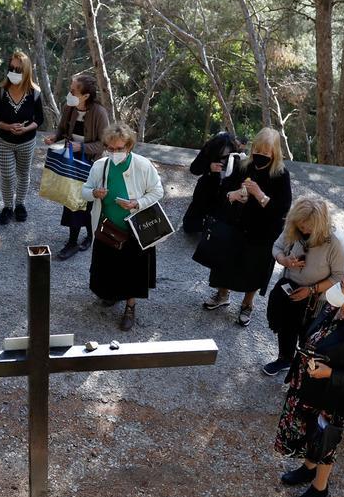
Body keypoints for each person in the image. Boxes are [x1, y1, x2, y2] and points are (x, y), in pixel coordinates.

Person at [274, 265, 344, 497]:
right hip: (308, 385)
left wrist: (331, 372)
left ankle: (319, 488)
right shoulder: (333, 308)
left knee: (325, 441)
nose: (336, 287)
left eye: (342, 285)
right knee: (308, 433)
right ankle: (308, 468)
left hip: (330, 397)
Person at [199, 127, 293, 327]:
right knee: (225, 263)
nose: (260, 155)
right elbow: (224, 189)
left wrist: (261, 196)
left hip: (263, 232)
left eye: (266, 152)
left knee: (255, 269)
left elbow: (283, 210)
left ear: (274, 153)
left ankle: (247, 304)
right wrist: (232, 194)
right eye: (257, 150)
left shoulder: (281, 175)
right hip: (236, 225)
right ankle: (222, 295)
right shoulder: (244, 166)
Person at [80, 123, 164, 331]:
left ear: (129, 146)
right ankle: (113, 294)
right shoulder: (100, 166)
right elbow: (85, 190)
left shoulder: (143, 165)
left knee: (133, 270)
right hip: (107, 226)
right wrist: (94, 193)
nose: (115, 152)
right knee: (108, 265)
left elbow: (157, 191)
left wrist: (137, 203)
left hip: (135, 228)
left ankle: (130, 306)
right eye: (111, 148)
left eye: (119, 148)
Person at [264, 197, 344, 376]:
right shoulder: (293, 227)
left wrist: (311, 290)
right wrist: (284, 260)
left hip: (317, 298)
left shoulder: (335, 242)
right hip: (290, 287)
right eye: (300, 226)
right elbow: (277, 246)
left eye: (308, 228)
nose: (303, 231)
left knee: (309, 336)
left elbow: (340, 276)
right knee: (286, 326)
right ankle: (285, 359)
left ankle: (302, 370)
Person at [44, 74, 110, 260]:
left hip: (90, 163)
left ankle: (75, 242)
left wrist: (82, 147)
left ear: (85, 95)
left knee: (80, 201)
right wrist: (54, 138)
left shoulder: (99, 113)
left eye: (73, 91)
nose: (70, 93)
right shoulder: (70, 107)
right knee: (75, 200)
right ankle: (87, 236)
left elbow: (104, 143)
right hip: (71, 160)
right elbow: (62, 129)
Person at [0, 50, 45, 225]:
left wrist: (26, 128)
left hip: (26, 142)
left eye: (18, 69)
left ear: (26, 71)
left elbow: (39, 119)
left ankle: (20, 204)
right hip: (4, 141)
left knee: (23, 174)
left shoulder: (34, 93)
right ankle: (7, 206)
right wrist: (7, 126)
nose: (13, 72)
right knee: (7, 176)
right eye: (11, 68)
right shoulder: (1, 92)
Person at [184, 131, 247, 234]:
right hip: (206, 189)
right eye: (221, 156)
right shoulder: (210, 148)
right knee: (190, 228)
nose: (223, 160)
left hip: (225, 195)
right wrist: (209, 167)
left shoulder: (237, 154)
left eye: (226, 156)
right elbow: (194, 169)